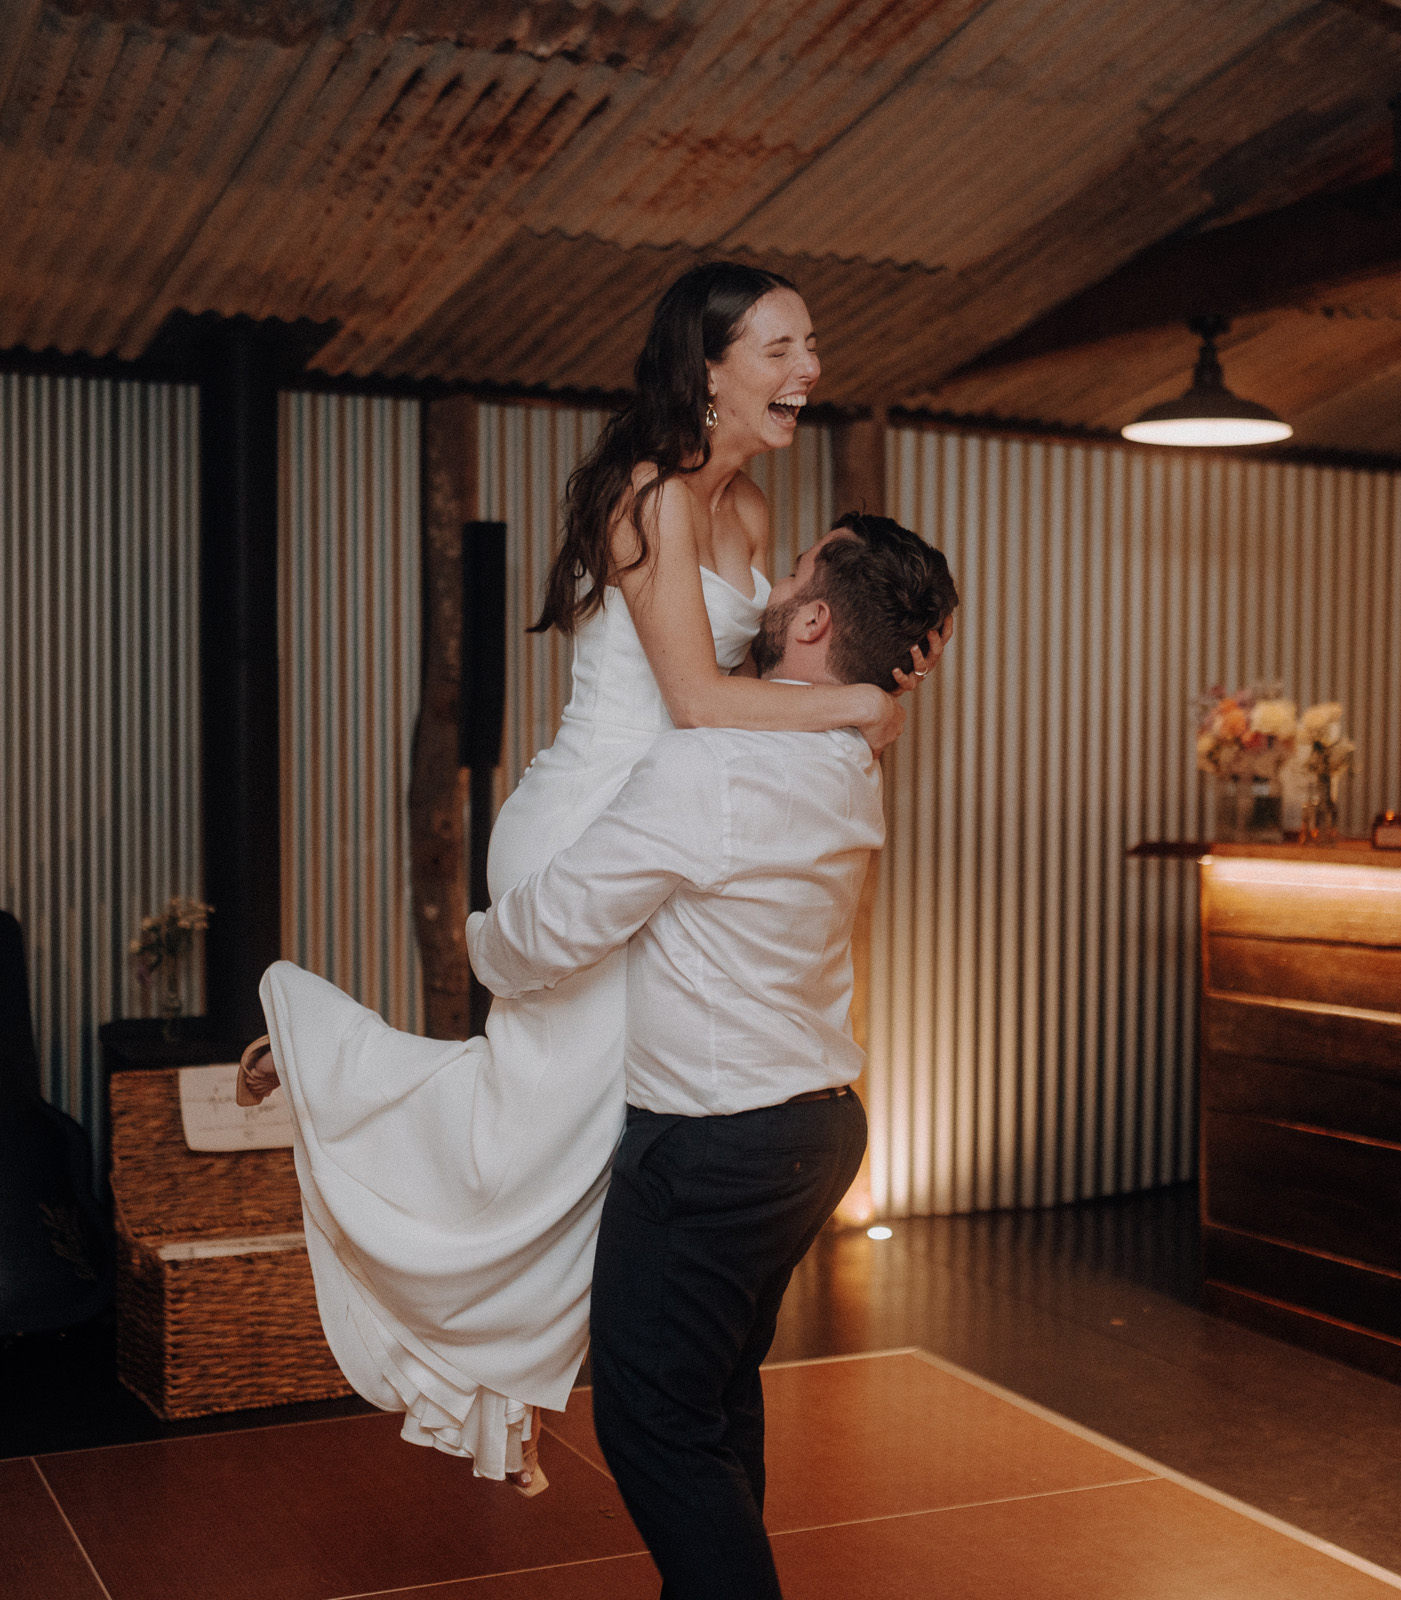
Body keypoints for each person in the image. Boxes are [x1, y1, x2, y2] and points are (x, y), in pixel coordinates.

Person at [238, 262, 946, 1491]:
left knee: (593, 1136)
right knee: (538, 1128)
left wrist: (856, 699)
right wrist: (859, 702)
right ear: (710, 366)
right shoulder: (648, 496)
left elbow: (739, 708)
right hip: (586, 821)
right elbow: (693, 700)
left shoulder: (758, 514)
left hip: (668, 816)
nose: (808, 370)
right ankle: (327, 1075)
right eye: (780, 348)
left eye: (811, 345)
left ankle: (616, 1361)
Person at [467, 514, 960, 1598]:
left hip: (713, 1145)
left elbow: (559, 928)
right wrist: (877, 687)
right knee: (719, 1396)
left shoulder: (715, 766)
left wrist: (480, 938)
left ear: (816, 619)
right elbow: (779, 679)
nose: (769, 587)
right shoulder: (847, 754)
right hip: (817, 1131)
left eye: (792, 575)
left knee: (654, 1426)